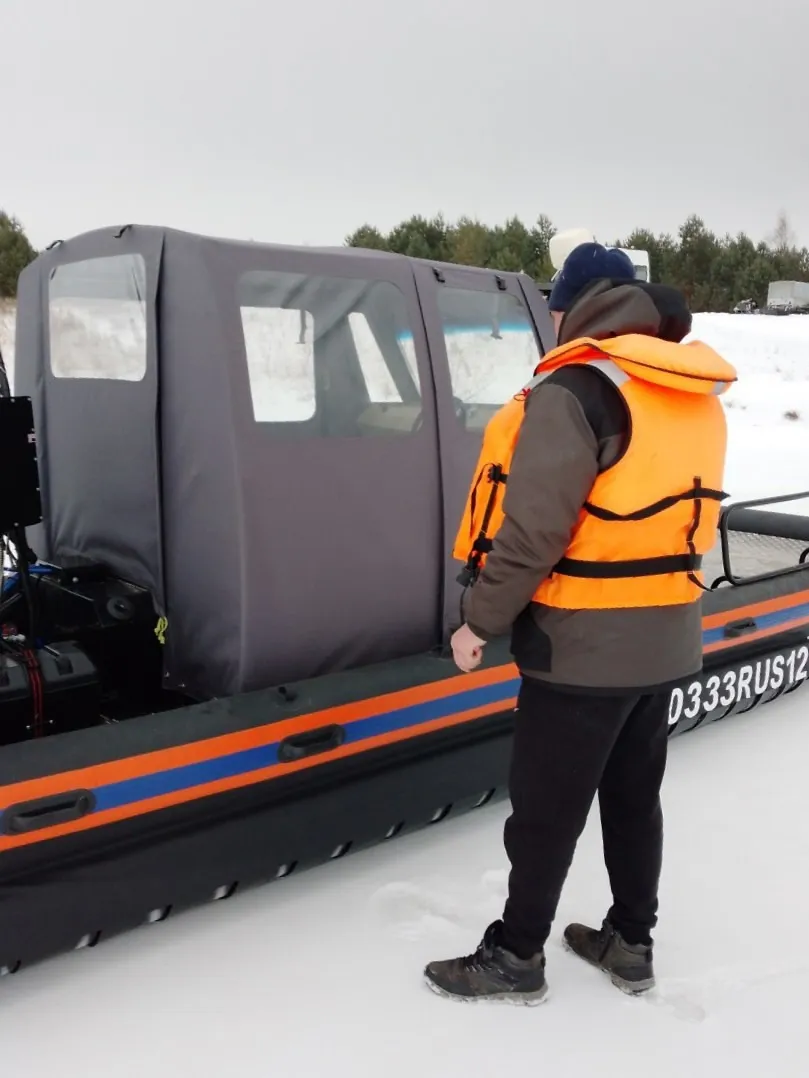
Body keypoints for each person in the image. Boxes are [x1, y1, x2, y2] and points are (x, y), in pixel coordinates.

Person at [424, 242, 737, 1005]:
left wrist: (477, 620)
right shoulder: (683, 384)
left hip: (583, 645)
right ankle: (630, 941)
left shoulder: (577, 387)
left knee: (545, 809)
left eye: (554, 305)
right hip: (665, 632)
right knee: (634, 797)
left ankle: (515, 956)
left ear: (574, 305)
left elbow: (532, 535)